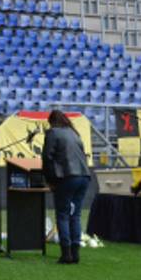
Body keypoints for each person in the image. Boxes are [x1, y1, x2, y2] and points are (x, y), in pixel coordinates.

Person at [42, 110, 91, 264]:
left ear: (51, 122)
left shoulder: (52, 133)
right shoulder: (73, 133)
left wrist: (50, 180)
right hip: (84, 177)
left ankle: (66, 254)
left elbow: (47, 157)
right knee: (75, 215)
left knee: (62, 215)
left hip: (68, 177)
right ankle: (75, 253)